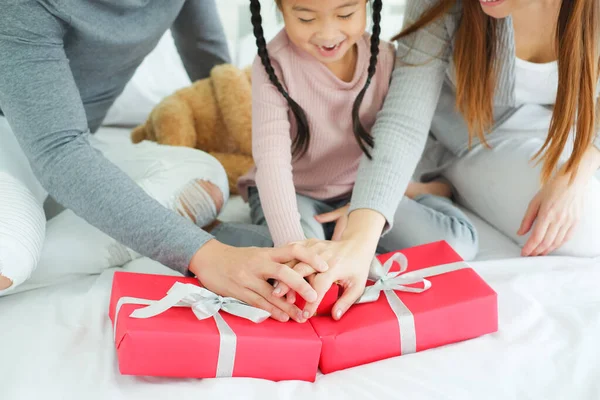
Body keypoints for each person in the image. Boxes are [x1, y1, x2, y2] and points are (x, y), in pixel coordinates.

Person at [0, 0, 327, 323]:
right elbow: (59, 152)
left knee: (203, 180)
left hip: (78, 140)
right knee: (9, 253)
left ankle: (29, 257)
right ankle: (19, 260)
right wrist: (207, 255)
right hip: (18, 139)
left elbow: (210, 64)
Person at [286, 0, 600, 321]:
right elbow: (404, 118)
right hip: (448, 141)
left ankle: (435, 191)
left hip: (547, 133)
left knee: (585, 222)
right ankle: (434, 187)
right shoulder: (442, 5)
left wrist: (576, 172)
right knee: (588, 228)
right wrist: (359, 239)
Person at [240, 0, 478, 306]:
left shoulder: (387, 58)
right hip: (296, 193)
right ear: (281, 9)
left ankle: (415, 193)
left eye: (345, 14)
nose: (327, 33)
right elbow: (271, 162)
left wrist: (361, 209)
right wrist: (296, 251)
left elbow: (399, 141)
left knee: (460, 246)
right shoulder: (272, 63)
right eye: (305, 18)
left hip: (362, 194)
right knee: (304, 265)